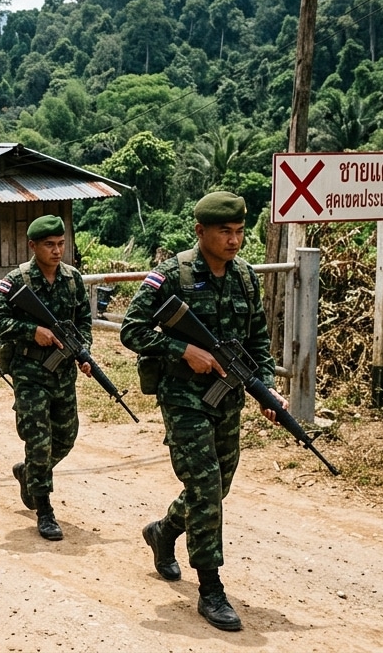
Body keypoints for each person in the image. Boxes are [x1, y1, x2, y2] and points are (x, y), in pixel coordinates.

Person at [120, 191, 288, 633]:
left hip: (227, 398)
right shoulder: (170, 276)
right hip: (183, 399)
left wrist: (266, 390)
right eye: (224, 232)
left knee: (217, 488)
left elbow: (257, 342)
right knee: (206, 486)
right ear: (200, 232)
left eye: (239, 233)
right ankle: (211, 588)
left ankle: (164, 531)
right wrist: (182, 349)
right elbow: (132, 329)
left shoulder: (247, 279)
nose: (234, 241)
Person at [0, 215, 90, 541]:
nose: (58, 250)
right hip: (30, 373)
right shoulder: (17, 280)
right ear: (33, 246)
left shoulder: (72, 279)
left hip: (62, 373)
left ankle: (29, 472)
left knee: (67, 436)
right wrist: (33, 332)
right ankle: (44, 510)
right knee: (39, 441)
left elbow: (84, 320)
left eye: (61, 244)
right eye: (50, 245)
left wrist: (82, 350)